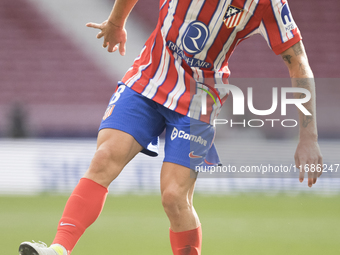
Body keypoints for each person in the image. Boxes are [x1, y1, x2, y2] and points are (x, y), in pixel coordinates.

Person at [19, 0, 323, 254]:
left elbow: (298, 62)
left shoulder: (266, 3)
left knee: (174, 197)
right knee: (104, 158)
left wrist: (308, 136)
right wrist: (116, 22)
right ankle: (58, 250)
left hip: (199, 98)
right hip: (148, 79)